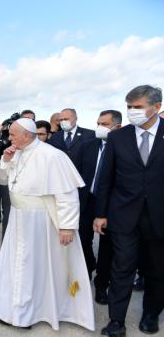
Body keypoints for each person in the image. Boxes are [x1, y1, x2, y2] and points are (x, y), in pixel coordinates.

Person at [0, 118, 95, 331]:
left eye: (13, 134)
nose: (9, 138)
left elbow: (67, 195)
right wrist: (6, 161)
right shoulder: (15, 152)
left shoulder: (52, 156)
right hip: (18, 218)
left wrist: (67, 227)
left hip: (40, 222)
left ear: (26, 135)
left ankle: (29, 312)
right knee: (15, 264)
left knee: (34, 267)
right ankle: (12, 308)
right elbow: (1, 180)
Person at [94, 85, 164, 336]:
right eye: (129, 107)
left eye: (138, 107)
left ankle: (150, 315)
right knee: (121, 268)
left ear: (156, 108)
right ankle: (116, 321)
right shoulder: (118, 137)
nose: (132, 112)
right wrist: (100, 214)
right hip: (123, 216)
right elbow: (106, 178)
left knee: (157, 269)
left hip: (159, 217)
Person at [77, 110, 121, 306]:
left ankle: (102, 285)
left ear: (116, 126)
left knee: (107, 248)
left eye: (104, 124)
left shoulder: (123, 148)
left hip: (112, 205)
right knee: (82, 241)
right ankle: (84, 275)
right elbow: (76, 174)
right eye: (98, 123)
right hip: (88, 201)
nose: (99, 127)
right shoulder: (87, 146)